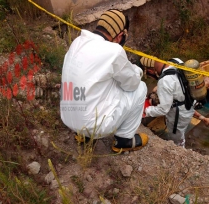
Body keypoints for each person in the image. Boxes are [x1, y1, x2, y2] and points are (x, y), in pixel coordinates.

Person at [60, 9, 148, 152]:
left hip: (68, 117)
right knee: (141, 87)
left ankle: (83, 135)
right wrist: (137, 71)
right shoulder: (114, 51)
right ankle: (124, 140)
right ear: (120, 36)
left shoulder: (77, 42)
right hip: (93, 125)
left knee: (101, 82)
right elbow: (131, 84)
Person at [144, 58, 209, 147]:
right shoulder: (176, 61)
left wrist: (146, 111)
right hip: (190, 103)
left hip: (179, 118)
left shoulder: (164, 81)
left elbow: (164, 110)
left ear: (151, 70)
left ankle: (179, 149)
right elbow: (185, 105)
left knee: (177, 138)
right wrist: (203, 118)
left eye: (149, 75)